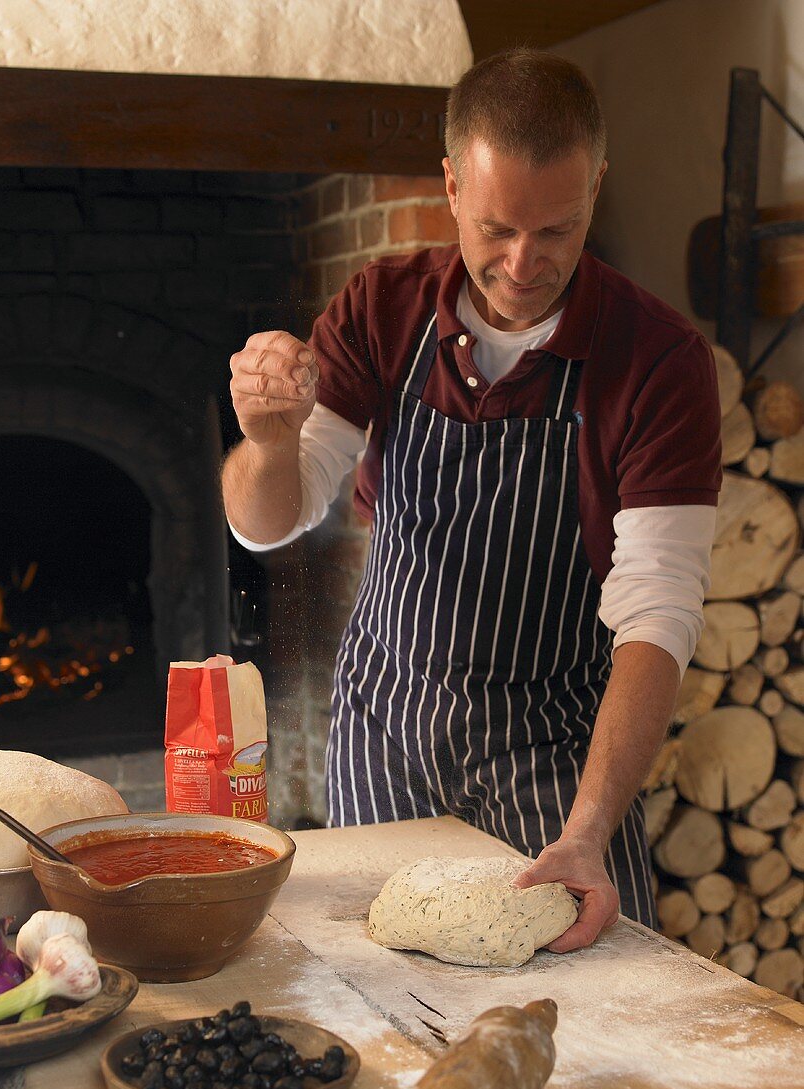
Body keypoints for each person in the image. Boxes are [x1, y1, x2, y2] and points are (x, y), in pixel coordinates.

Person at [222, 48, 722, 952]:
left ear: (597, 189)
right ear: (452, 186)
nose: (524, 264)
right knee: (392, 1013)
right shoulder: (383, 307)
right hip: (386, 730)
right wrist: (266, 443)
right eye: (496, 229)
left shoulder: (659, 360)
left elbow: (657, 615)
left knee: (600, 1021)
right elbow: (271, 523)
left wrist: (586, 832)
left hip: (553, 748)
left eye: (558, 231)